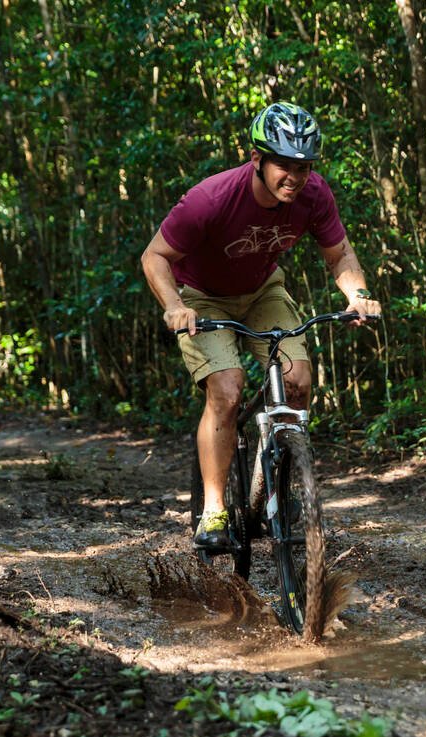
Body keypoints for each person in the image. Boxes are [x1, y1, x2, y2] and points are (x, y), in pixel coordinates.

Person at [141, 102, 381, 550]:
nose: (295, 176)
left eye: (304, 166)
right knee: (227, 390)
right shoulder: (210, 199)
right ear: (257, 160)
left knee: (297, 382)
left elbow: (340, 254)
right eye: (284, 165)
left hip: (262, 292)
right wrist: (174, 305)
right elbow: (154, 256)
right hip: (202, 297)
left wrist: (357, 296)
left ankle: (275, 489)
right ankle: (214, 510)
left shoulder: (314, 196)